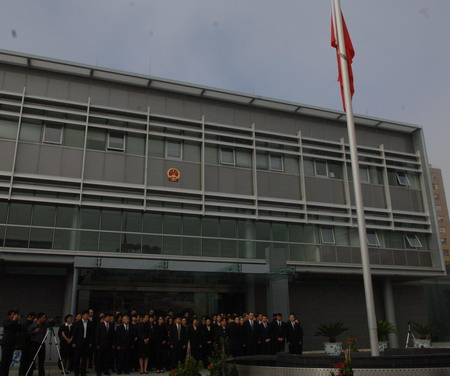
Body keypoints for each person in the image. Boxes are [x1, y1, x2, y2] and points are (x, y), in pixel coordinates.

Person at [72, 310, 94, 376]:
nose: (87, 316)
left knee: (84, 358)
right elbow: (74, 334)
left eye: (88, 315)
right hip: (78, 342)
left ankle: (83, 372)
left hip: (86, 342)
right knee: (77, 358)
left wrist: (90, 342)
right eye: (86, 315)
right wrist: (74, 342)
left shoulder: (90, 323)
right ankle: (76, 372)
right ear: (82, 315)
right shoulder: (77, 323)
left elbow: (91, 334)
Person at [0, 309, 21, 376]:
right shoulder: (6, 321)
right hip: (6, 343)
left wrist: (18, 321)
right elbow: (8, 325)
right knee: (4, 361)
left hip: (12, 344)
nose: (14, 316)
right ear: (9, 315)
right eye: (12, 314)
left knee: (9, 361)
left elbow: (19, 329)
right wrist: (14, 319)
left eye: (14, 315)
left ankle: (6, 374)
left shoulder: (15, 322)